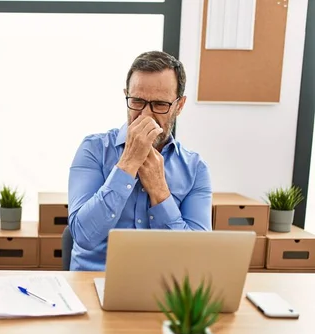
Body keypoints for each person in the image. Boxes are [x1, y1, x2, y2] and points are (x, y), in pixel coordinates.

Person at [67, 51, 212, 271]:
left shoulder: (195, 169)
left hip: (162, 289)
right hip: (93, 282)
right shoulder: (93, 150)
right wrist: (127, 164)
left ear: (179, 106)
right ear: (126, 96)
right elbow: (83, 236)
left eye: (160, 104)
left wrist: (160, 191)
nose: (146, 115)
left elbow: (196, 257)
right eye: (137, 101)